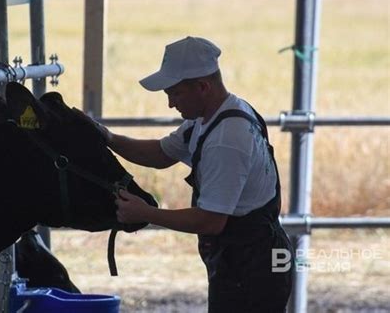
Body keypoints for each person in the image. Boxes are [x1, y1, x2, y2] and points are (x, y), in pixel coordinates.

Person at [96, 36, 294, 312]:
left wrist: (146, 213)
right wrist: (107, 137)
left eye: (175, 94)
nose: (170, 104)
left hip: (253, 267)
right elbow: (160, 154)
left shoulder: (226, 139)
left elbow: (211, 221)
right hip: (242, 259)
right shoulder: (209, 118)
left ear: (203, 87)